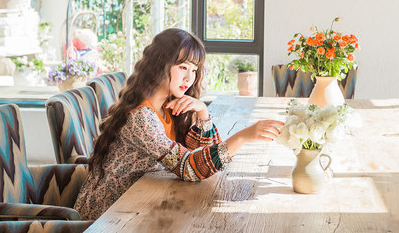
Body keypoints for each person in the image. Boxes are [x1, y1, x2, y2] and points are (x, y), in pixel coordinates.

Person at [74, 28, 283, 220]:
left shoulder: (167, 106)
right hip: (105, 221)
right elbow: (189, 168)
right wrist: (242, 137)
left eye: (194, 70)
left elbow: (200, 155)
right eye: (183, 67)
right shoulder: (142, 118)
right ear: (159, 64)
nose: (189, 78)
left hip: (135, 206)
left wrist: (202, 111)